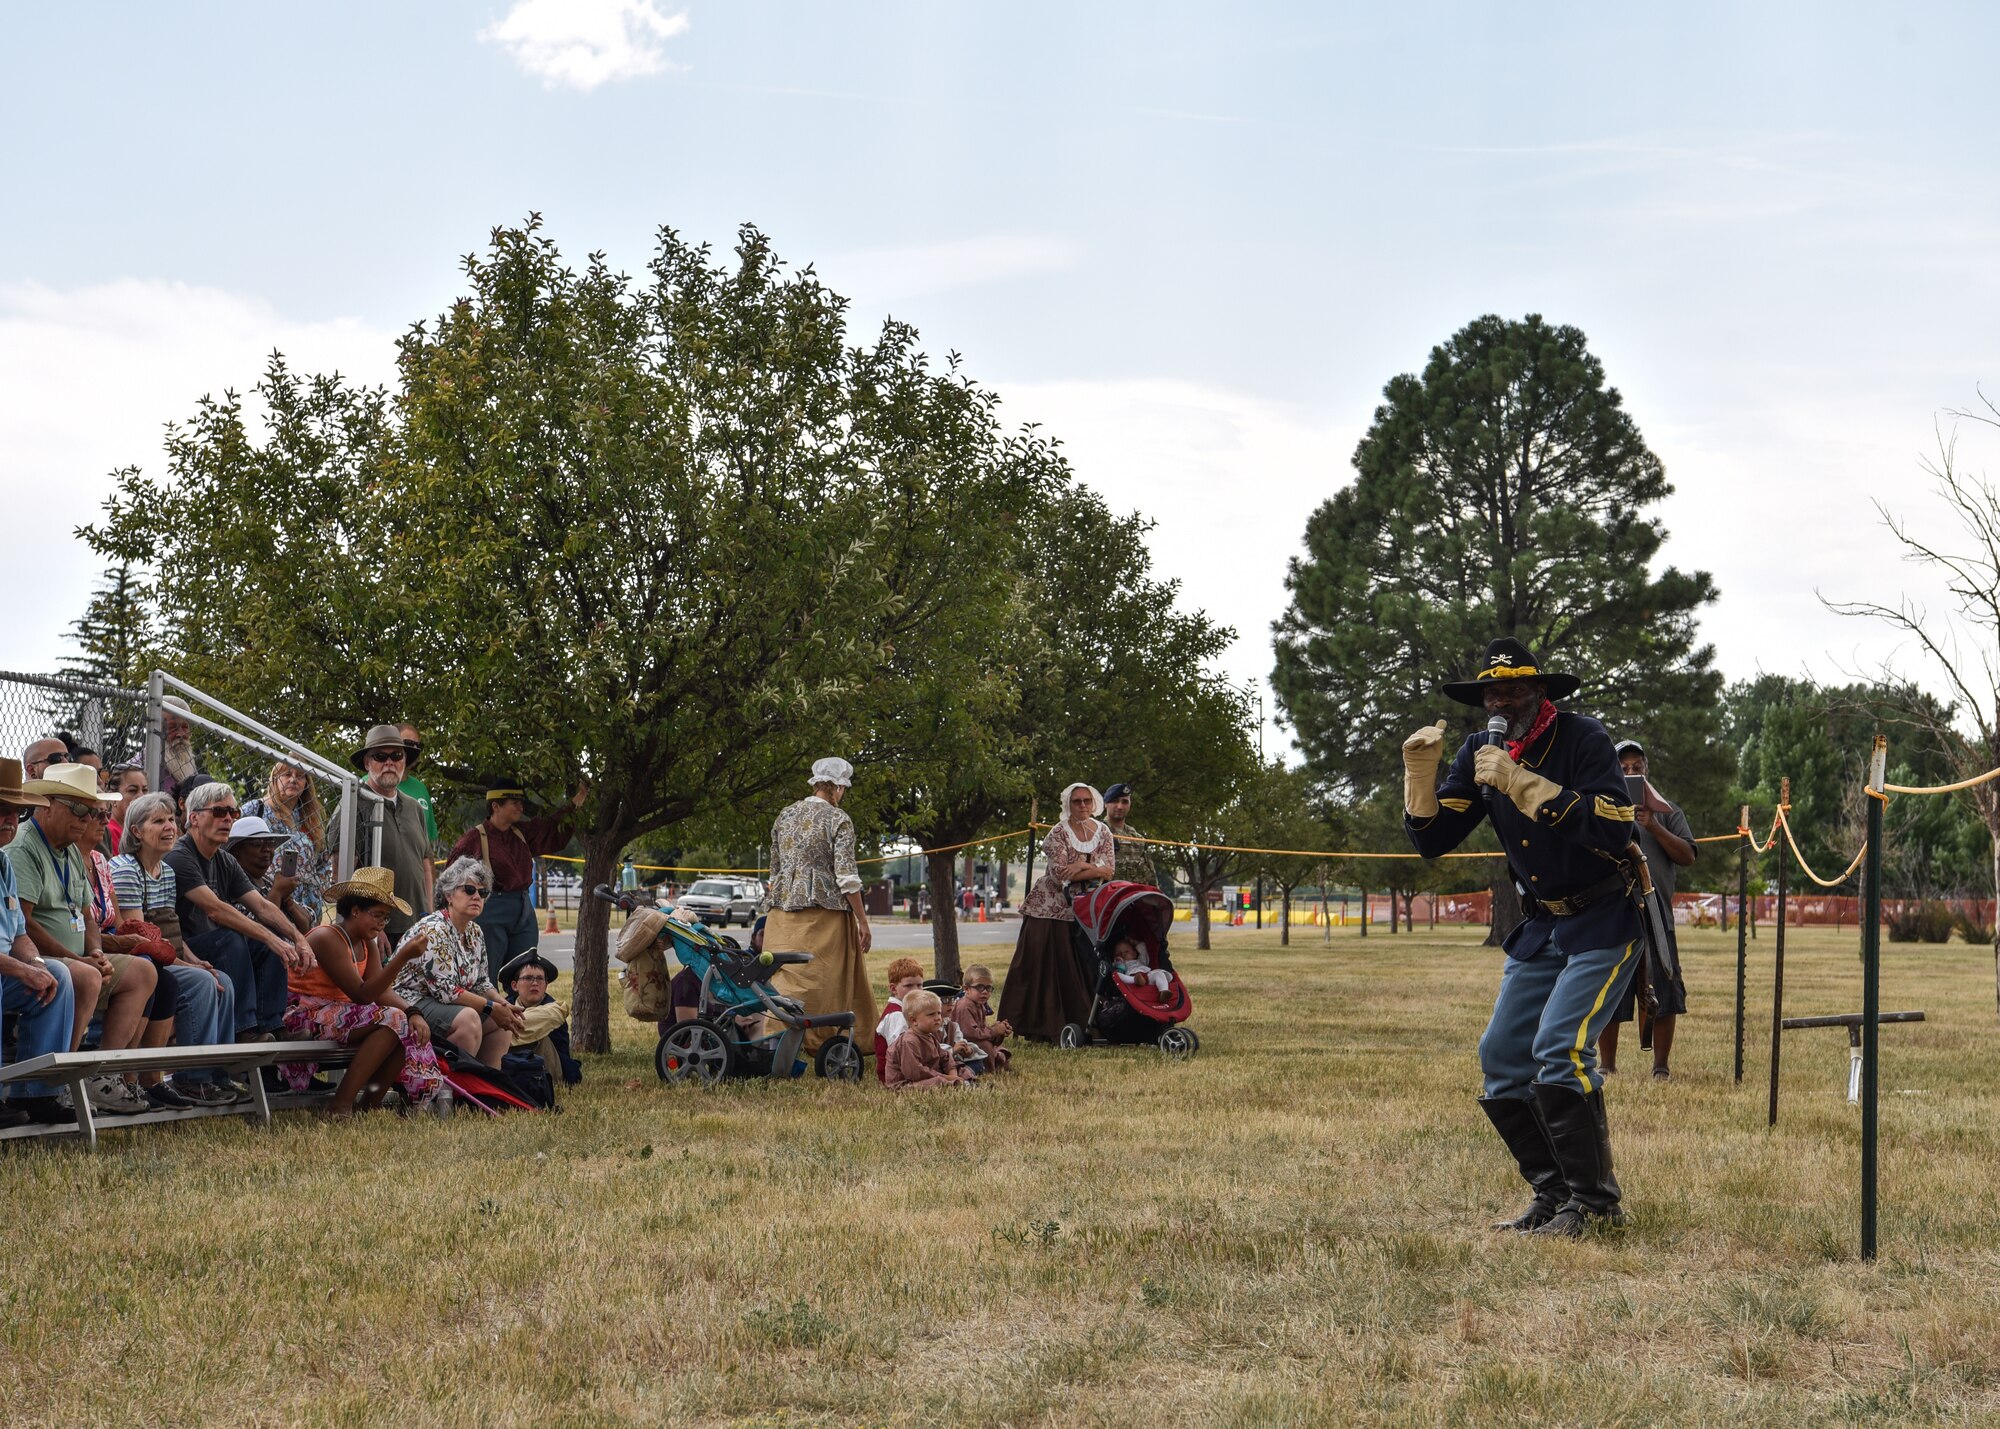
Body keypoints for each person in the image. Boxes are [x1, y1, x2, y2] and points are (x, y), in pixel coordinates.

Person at [1403, 637, 1644, 1238]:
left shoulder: (1583, 739)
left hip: (1603, 918)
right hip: (1542, 926)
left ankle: (1595, 1206)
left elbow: (1616, 827)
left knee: (1560, 1050)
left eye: (1511, 691)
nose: (1499, 701)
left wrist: (1524, 784)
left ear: (1540, 694)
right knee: (1503, 1059)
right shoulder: (1479, 750)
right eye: (1491, 692)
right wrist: (1419, 779)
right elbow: (1434, 839)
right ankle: (1554, 1194)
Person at [14, 763, 165, 1115]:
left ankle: (99, 1076)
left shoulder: (68, 848)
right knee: (84, 975)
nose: (87, 818)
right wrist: (78, 958)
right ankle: (62, 1079)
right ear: (47, 805)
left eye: (95, 810)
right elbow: (24, 924)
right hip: (40, 957)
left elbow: (86, 914)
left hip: (78, 956)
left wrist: (95, 950)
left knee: (144, 972)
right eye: (79, 808)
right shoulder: (25, 847)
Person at [109, 790, 242, 1107]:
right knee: (200, 983)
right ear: (137, 831)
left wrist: (195, 961)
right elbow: (140, 941)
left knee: (221, 979)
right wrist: (189, 968)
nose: (169, 826)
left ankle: (214, 1075)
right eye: (158, 821)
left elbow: (171, 934)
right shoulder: (127, 869)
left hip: (163, 956)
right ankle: (189, 1079)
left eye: (171, 819)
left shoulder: (166, 871)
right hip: (139, 960)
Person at [279, 866, 446, 1117]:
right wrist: (402, 957)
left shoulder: (367, 942)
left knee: (403, 1026)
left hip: (337, 1014)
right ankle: (341, 1106)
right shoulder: (327, 937)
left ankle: (368, 1106)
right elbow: (363, 995)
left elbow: (381, 991)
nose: (381, 924)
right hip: (304, 1014)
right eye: (377, 915)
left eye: (385, 918)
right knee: (393, 1019)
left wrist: (413, 1012)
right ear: (355, 911)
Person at [163, 779, 312, 1043]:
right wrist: (274, 939)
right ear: (194, 818)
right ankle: (243, 1030)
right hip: (182, 950)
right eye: (219, 812)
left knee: (263, 943)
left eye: (234, 813)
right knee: (235, 937)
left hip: (213, 947)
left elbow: (263, 906)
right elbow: (215, 910)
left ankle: (271, 1025)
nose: (228, 819)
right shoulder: (179, 855)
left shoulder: (225, 860)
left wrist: (297, 939)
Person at [759, 756, 874, 1056]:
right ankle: (821, 1041)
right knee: (822, 979)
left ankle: (776, 1043)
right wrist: (863, 921)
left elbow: (774, 871)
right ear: (837, 787)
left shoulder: (785, 815)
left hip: (781, 913)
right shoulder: (838, 819)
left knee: (784, 976)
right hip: (825, 913)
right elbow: (847, 878)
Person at [1600, 739, 1698, 1081]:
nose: (1629, 773)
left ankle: (1660, 1067)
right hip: (1613, 910)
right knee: (1609, 991)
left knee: (1665, 988)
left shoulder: (1668, 811)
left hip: (1657, 914)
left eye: (1636, 768)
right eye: (1623, 768)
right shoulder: (1603, 811)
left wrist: (1653, 824)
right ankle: (1607, 1065)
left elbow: (1687, 856)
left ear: (1646, 771)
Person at [999, 783, 1111, 1042]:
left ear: (1093, 803)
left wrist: (1081, 866)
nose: (1082, 805)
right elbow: (1061, 873)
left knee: (1084, 962)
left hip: (1087, 904)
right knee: (1046, 966)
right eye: (1076, 801)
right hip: (1050, 907)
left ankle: (1090, 1021)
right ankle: (1043, 1026)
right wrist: (1093, 865)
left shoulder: (1103, 831)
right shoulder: (1057, 833)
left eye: (1086, 801)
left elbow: (1110, 870)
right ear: (1068, 805)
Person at [447, 776, 587, 984]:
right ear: (496, 806)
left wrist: (579, 799)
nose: (520, 807)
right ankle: (485, 1016)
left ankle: (520, 1015)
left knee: (524, 975)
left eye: (521, 802)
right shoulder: (473, 839)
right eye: (515, 803)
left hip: (524, 911)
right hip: (490, 910)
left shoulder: (522, 832)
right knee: (485, 976)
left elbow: (551, 827)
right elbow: (450, 881)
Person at [0, 758, 77, 1126]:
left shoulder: (3, 863)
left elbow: (18, 935)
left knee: (57, 977)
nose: (10, 820)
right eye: (1, 810)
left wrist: (38, 965)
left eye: (18, 812)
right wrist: (22, 969)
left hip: (5, 969)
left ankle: (38, 1094)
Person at [393, 856, 525, 1067]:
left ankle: (484, 1089)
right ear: (449, 895)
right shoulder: (434, 929)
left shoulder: (475, 931)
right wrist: (491, 1007)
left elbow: (482, 982)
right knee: (469, 1019)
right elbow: (446, 991)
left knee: (503, 1022)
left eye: (483, 893)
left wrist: (503, 1005)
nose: (477, 897)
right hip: (409, 1002)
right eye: (469, 890)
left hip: (442, 1002)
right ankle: (444, 1089)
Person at [333, 725, 432, 943]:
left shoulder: (415, 807)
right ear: (367, 762)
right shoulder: (354, 805)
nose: (389, 763)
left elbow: (425, 866)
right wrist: (374, 928)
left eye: (396, 755)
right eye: (380, 756)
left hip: (418, 925)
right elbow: (342, 874)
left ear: (404, 761)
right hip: (377, 932)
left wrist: (430, 918)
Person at [242, 759, 330, 927]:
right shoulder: (257, 809)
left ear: (306, 783)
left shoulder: (310, 818)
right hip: (265, 893)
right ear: (275, 779)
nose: (293, 780)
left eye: (300, 776)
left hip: (306, 904)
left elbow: (323, 861)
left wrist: (318, 888)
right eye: (287, 774)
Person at [499, 948, 582, 1087]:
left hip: (550, 1072)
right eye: (528, 978)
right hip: (513, 1066)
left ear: (546, 985)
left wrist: (495, 1037)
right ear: (514, 985)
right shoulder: (505, 1005)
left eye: (539, 978)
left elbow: (521, 1026)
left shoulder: (554, 1009)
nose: (535, 983)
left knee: (537, 1035)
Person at [226, 816, 313, 936]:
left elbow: (307, 928)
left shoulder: (269, 882)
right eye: (258, 844)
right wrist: (277, 893)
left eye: (270, 843)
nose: (267, 849)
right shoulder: (232, 885)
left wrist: (289, 902)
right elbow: (259, 934)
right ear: (236, 850)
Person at [883, 990, 971, 1089]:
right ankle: (957, 1085)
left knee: (961, 1068)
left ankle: (961, 1082)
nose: (938, 1018)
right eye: (931, 1014)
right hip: (906, 1084)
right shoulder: (909, 1041)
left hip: (928, 1076)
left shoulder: (930, 1037)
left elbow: (945, 1057)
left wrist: (953, 1074)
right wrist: (946, 1077)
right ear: (914, 1020)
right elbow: (915, 1073)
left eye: (939, 1013)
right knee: (938, 1082)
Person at [873, 956, 924, 1083]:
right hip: (896, 1076)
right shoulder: (897, 1015)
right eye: (909, 986)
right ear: (893, 989)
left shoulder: (906, 1010)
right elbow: (901, 1052)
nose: (916, 990)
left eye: (919, 985)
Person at [1102, 782, 1162, 888]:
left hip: (1134, 900)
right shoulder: (1095, 833)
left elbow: (1151, 879)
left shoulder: (1138, 840)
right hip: (1107, 900)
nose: (1120, 806)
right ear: (1105, 804)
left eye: (1125, 802)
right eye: (1115, 801)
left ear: (1130, 805)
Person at [156, 696, 207, 804]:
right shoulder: (142, 765)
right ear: (158, 729)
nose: (181, 734)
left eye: (185, 727)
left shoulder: (189, 765)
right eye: (173, 727)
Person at [396, 724, 439, 848]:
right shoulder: (369, 784)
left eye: (418, 746)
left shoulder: (421, 789)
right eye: (409, 744)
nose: (414, 749)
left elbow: (428, 845)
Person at [105, 762, 147, 857]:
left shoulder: (142, 831)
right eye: (132, 790)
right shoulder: (109, 832)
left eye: (144, 790)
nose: (141, 796)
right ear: (114, 798)